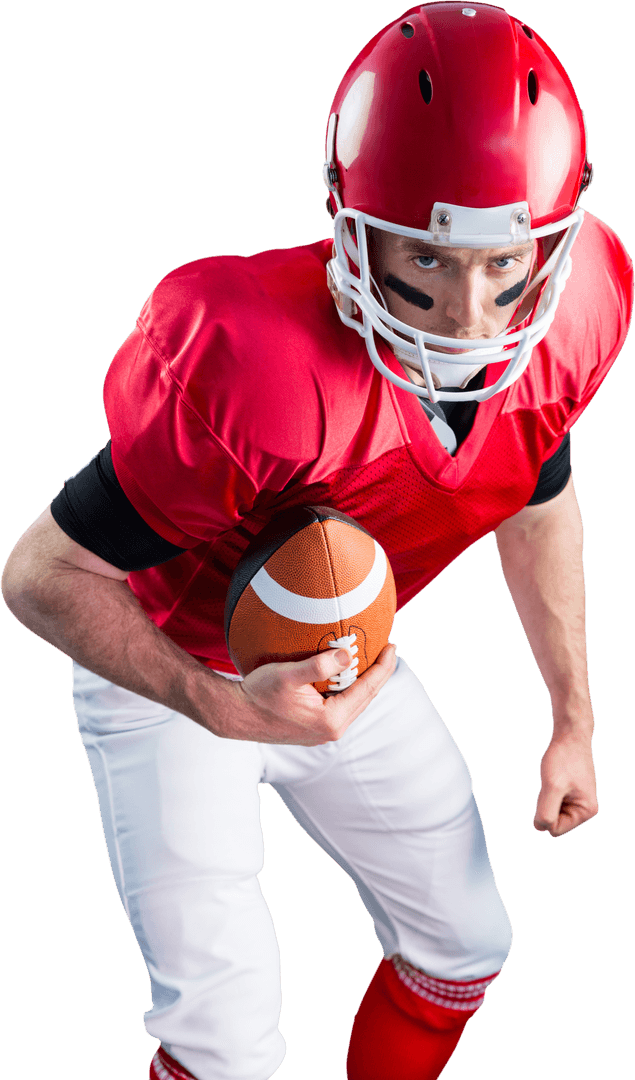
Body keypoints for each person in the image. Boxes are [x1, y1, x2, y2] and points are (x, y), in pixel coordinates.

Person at [2, 3, 632, 1079]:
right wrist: (219, 705)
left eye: (501, 266)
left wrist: (571, 719)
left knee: (464, 948)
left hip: (349, 658)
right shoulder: (249, 364)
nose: (467, 323)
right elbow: (38, 575)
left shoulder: (576, 319)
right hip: (176, 666)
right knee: (223, 1043)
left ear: (555, 244)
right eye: (424, 261)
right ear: (350, 223)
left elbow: (533, 494)